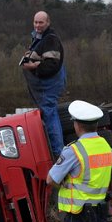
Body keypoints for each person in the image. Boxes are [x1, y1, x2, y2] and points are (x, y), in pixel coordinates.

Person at [21, 11, 67, 158]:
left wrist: (34, 67)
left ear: (48, 23)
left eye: (41, 22)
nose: (37, 25)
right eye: (35, 22)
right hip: (42, 87)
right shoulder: (38, 38)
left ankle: (57, 153)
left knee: (49, 112)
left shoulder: (50, 40)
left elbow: (51, 65)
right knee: (48, 113)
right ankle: (55, 149)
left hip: (49, 85)